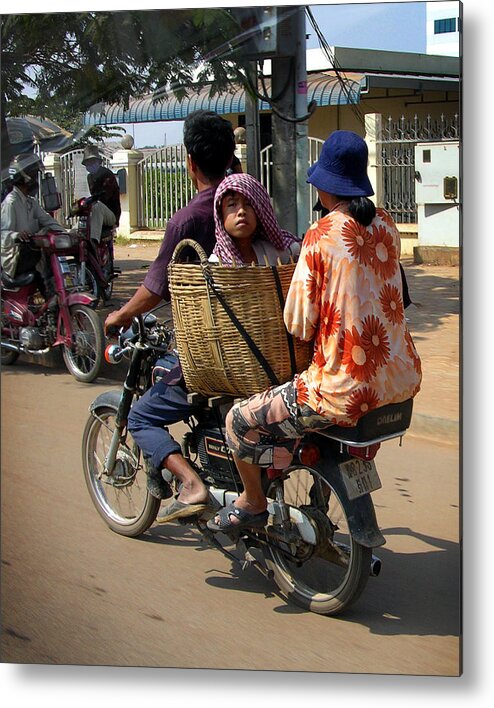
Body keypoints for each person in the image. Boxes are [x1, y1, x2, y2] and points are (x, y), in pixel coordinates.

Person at [207, 130, 423, 533]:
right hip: (401, 381)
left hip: (341, 389)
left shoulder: (321, 234)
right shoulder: (388, 227)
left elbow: (297, 323)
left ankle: (253, 502)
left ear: (326, 186)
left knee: (238, 419)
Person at [127, 172, 299, 524]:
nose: (241, 212)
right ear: (220, 216)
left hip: (233, 372)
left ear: (262, 209)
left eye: (249, 204)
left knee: (139, 415)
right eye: (231, 206)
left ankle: (191, 484)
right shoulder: (264, 255)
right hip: (278, 364)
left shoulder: (224, 268)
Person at [104, 110, 236, 334]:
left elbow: (156, 286)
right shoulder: (248, 207)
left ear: (191, 163)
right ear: (230, 159)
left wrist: (122, 314)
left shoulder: (186, 221)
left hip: (207, 338)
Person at [1, 153, 67, 291]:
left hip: (27, 252)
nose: (36, 180)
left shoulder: (30, 202)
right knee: (44, 260)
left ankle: (56, 298)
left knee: (48, 240)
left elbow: (47, 220)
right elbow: (2, 234)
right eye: (34, 175)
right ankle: (52, 299)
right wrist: (15, 235)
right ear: (25, 177)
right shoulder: (11, 202)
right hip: (14, 258)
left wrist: (65, 233)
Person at [81, 145, 121, 243]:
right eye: (88, 163)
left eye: (93, 162)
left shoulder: (107, 174)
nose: (90, 165)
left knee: (97, 206)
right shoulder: (90, 177)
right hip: (97, 212)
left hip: (110, 214)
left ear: (99, 162)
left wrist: (91, 200)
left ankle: (93, 240)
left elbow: (104, 197)